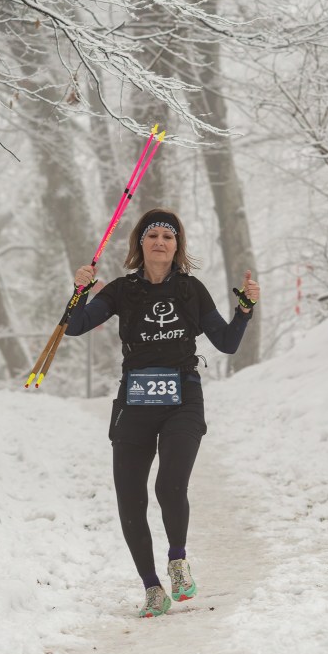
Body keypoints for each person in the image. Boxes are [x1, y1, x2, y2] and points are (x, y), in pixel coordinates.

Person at [66, 207, 259, 618]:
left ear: (177, 246)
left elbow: (226, 343)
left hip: (183, 397)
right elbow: (75, 325)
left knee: (169, 485)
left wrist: (244, 311)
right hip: (135, 399)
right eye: (153, 235)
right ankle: (152, 588)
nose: (160, 242)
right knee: (129, 498)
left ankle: (177, 560)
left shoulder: (191, 290)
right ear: (141, 243)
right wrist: (79, 291)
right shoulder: (122, 290)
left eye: (168, 237)